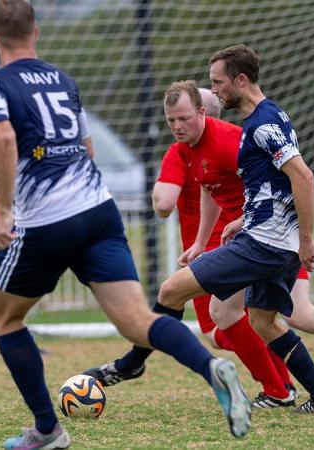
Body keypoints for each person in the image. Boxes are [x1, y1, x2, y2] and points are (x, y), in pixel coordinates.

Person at [0, 2, 251, 448]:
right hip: (98, 210)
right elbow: (85, 147)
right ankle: (210, 367)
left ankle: (47, 431)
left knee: (2, 315)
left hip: (45, 219)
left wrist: (6, 208)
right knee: (137, 320)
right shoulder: (64, 81)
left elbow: (4, 137)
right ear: (37, 33)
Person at [85, 82, 297, 409]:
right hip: (245, 239)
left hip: (262, 238)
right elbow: (211, 190)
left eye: (183, 118)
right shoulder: (196, 148)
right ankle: (297, 390)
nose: (176, 127)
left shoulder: (223, 142)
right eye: (171, 121)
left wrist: (259, 223)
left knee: (206, 309)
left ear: (201, 114)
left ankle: (132, 363)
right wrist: (200, 241)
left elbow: (165, 204)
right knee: (244, 324)